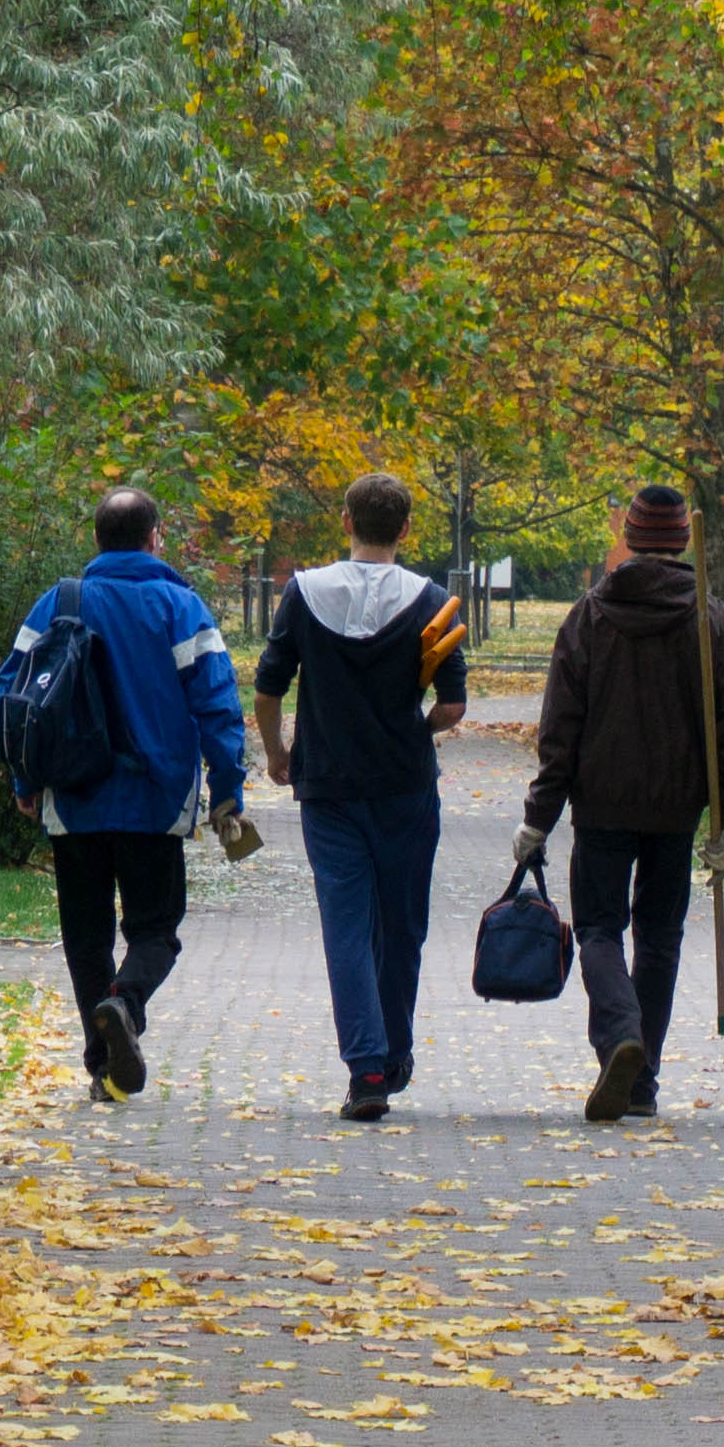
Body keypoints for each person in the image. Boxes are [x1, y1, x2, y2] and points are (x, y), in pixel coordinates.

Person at [0, 488, 249, 1103]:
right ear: (155, 537)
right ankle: (126, 1004)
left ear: (96, 538)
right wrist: (227, 792)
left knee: (86, 939)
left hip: (74, 799)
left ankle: (103, 1069)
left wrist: (27, 780)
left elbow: (13, 697)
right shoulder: (180, 608)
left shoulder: (59, 603)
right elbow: (218, 706)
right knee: (156, 930)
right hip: (154, 803)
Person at [515, 482, 724, 1123]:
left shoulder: (590, 616)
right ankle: (642, 1080)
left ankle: (623, 1036)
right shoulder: (713, 621)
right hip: (677, 808)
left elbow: (560, 726)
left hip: (601, 804)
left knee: (599, 929)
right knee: (660, 937)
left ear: (629, 536)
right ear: (681, 541)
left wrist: (539, 816)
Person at [253, 470, 472, 1122]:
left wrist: (278, 753)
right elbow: (453, 705)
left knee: (345, 924)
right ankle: (396, 1050)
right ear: (405, 529)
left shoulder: (303, 592)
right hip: (404, 786)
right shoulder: (434, 601)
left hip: (328, 786)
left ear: (346, 522)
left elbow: (268, 687)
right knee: (401, 925)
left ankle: (366, 1068)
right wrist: (415, 730)